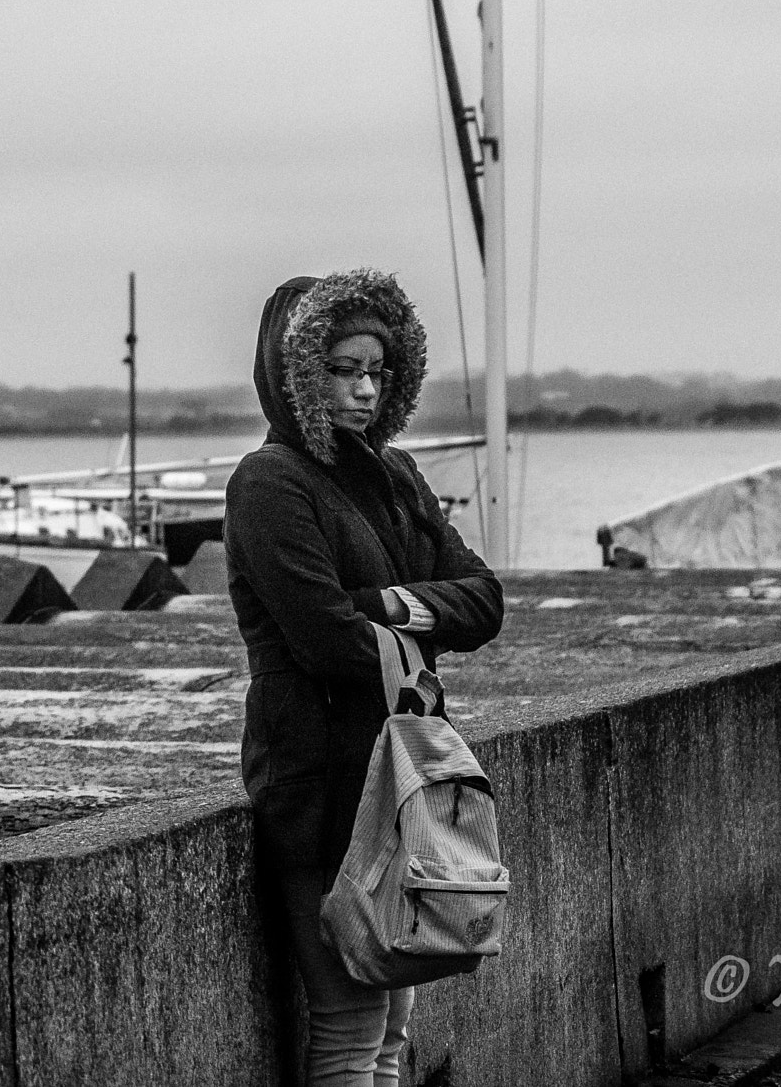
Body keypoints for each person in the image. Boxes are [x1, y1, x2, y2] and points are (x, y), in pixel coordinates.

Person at [225, 269, 504, 1087]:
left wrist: (384, 603)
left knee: (394, 1024)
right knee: (350, 1026)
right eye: (342, 370)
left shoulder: (396, 474)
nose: (364, 391)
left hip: (402, 779)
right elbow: (326, 642)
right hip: (318, 785)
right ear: (293, 371)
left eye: (376, 371)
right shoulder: (269, 482)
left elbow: (484, 601)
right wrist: (419, 617)